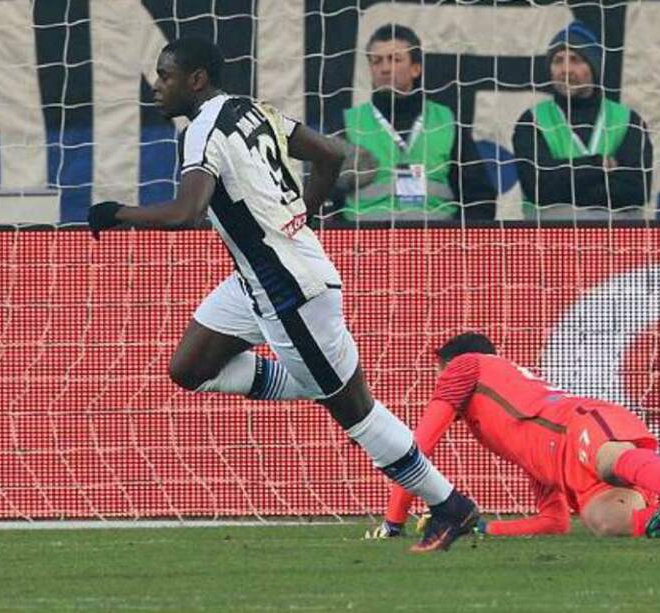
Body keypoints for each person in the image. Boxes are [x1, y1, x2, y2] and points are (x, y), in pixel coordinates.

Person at [87, 37, 479, 552]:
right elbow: (331, 156)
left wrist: (115, 213)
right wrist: (302, 218)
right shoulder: (253, 111)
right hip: (256, 280)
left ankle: (450, 505)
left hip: (289, 291)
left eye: (166, 76)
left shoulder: (202, 129)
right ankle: (317, 382)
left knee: (355, 412)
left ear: (197, 80)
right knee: (189, 369)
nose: (157, 87)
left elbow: (187, 213)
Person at [367, 332, 660, 539]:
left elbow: (415, 451)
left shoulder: (465, 367)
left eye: (439, 369)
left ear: (448, 364)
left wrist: (394, 522)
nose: (438, 378)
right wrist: (485, 528)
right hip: (563, 466)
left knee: (609, 459)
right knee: (608, 523)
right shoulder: (511, 430)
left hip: (577, 424)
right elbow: (554, 522)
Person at [334, 24, 496, 223]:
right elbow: (328, 198)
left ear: (415, 69)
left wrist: (458, 244)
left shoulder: (445, 120)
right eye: (376, 61)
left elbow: (479, 196)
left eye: (395, 59)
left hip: (437, 244)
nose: (385, 68)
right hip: (365, 245)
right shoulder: (349, 122)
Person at [512, 21, 653, 221]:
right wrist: (597, 165)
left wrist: (565, 181)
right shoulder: (532, 121)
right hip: (551, 244)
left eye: (576, 60)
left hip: (616, 245)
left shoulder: (628, 120)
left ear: (593, 67)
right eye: (558, 60)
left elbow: (636, 191)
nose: (566, 69)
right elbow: (540, 188)